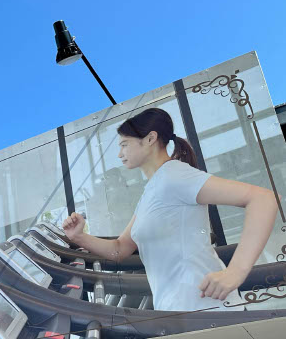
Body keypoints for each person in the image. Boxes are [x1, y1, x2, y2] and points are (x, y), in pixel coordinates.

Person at [61, 107, 278, 312]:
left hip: (206, 307)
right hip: (177, 310)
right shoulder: (152, 190)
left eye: (124, 144)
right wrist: (79, 236)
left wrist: (236, 272)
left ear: (150, 139)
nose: (120, 154)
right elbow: (120, 249)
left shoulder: (174, 176)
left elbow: (262, 199)